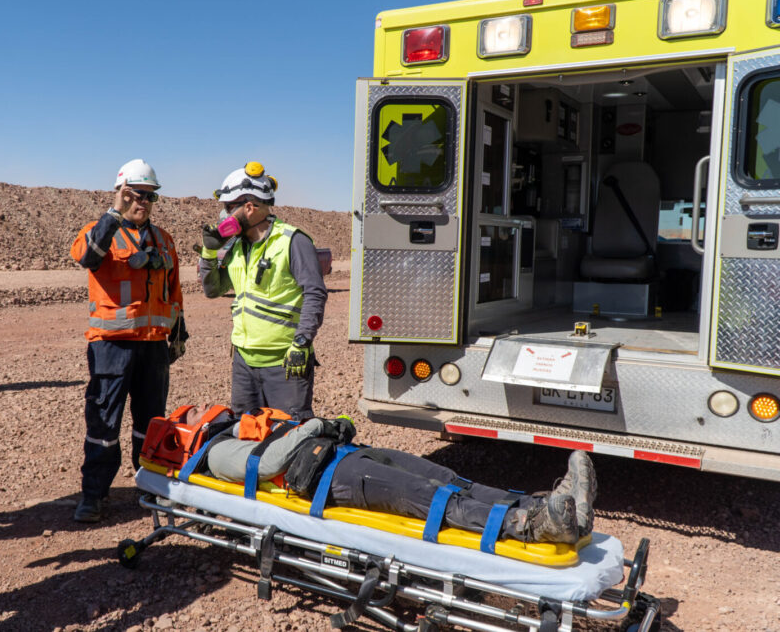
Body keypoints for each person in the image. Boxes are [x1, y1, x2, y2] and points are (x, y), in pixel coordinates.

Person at [205, 415, 598, 544]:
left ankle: (544, 507)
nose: (204, 407)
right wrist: (314, 425)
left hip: (348, 457)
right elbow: (266, 465)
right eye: (194, 412)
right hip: (333, 477)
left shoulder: (245, 426)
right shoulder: (215, 452)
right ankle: (530, 526)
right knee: (429, 496)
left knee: (450, 479)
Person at [69, 159, 187, 523]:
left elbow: (174, 290)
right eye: (136, 194)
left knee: (151, 422)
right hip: (111, 346)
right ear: (121, 193)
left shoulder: (163, 240)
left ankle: (150, 487)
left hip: (153, 347)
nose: (144, 202)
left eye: (150, 196)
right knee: (104, 423)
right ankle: (94, 495)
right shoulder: (99, 231)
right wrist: (114, 212)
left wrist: (178, 332)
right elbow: (88, 257)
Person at [199, 162, 327, 420]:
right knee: (245, 432)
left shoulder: (292, 241)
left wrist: (302, 342)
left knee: (288, 434)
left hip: (285, 362)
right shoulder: (237, 246)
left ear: (249, 207)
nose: (223, 215)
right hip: (244, 363)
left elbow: (315, 293)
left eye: (228, 207)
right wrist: (209, 251)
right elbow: (212, 290)